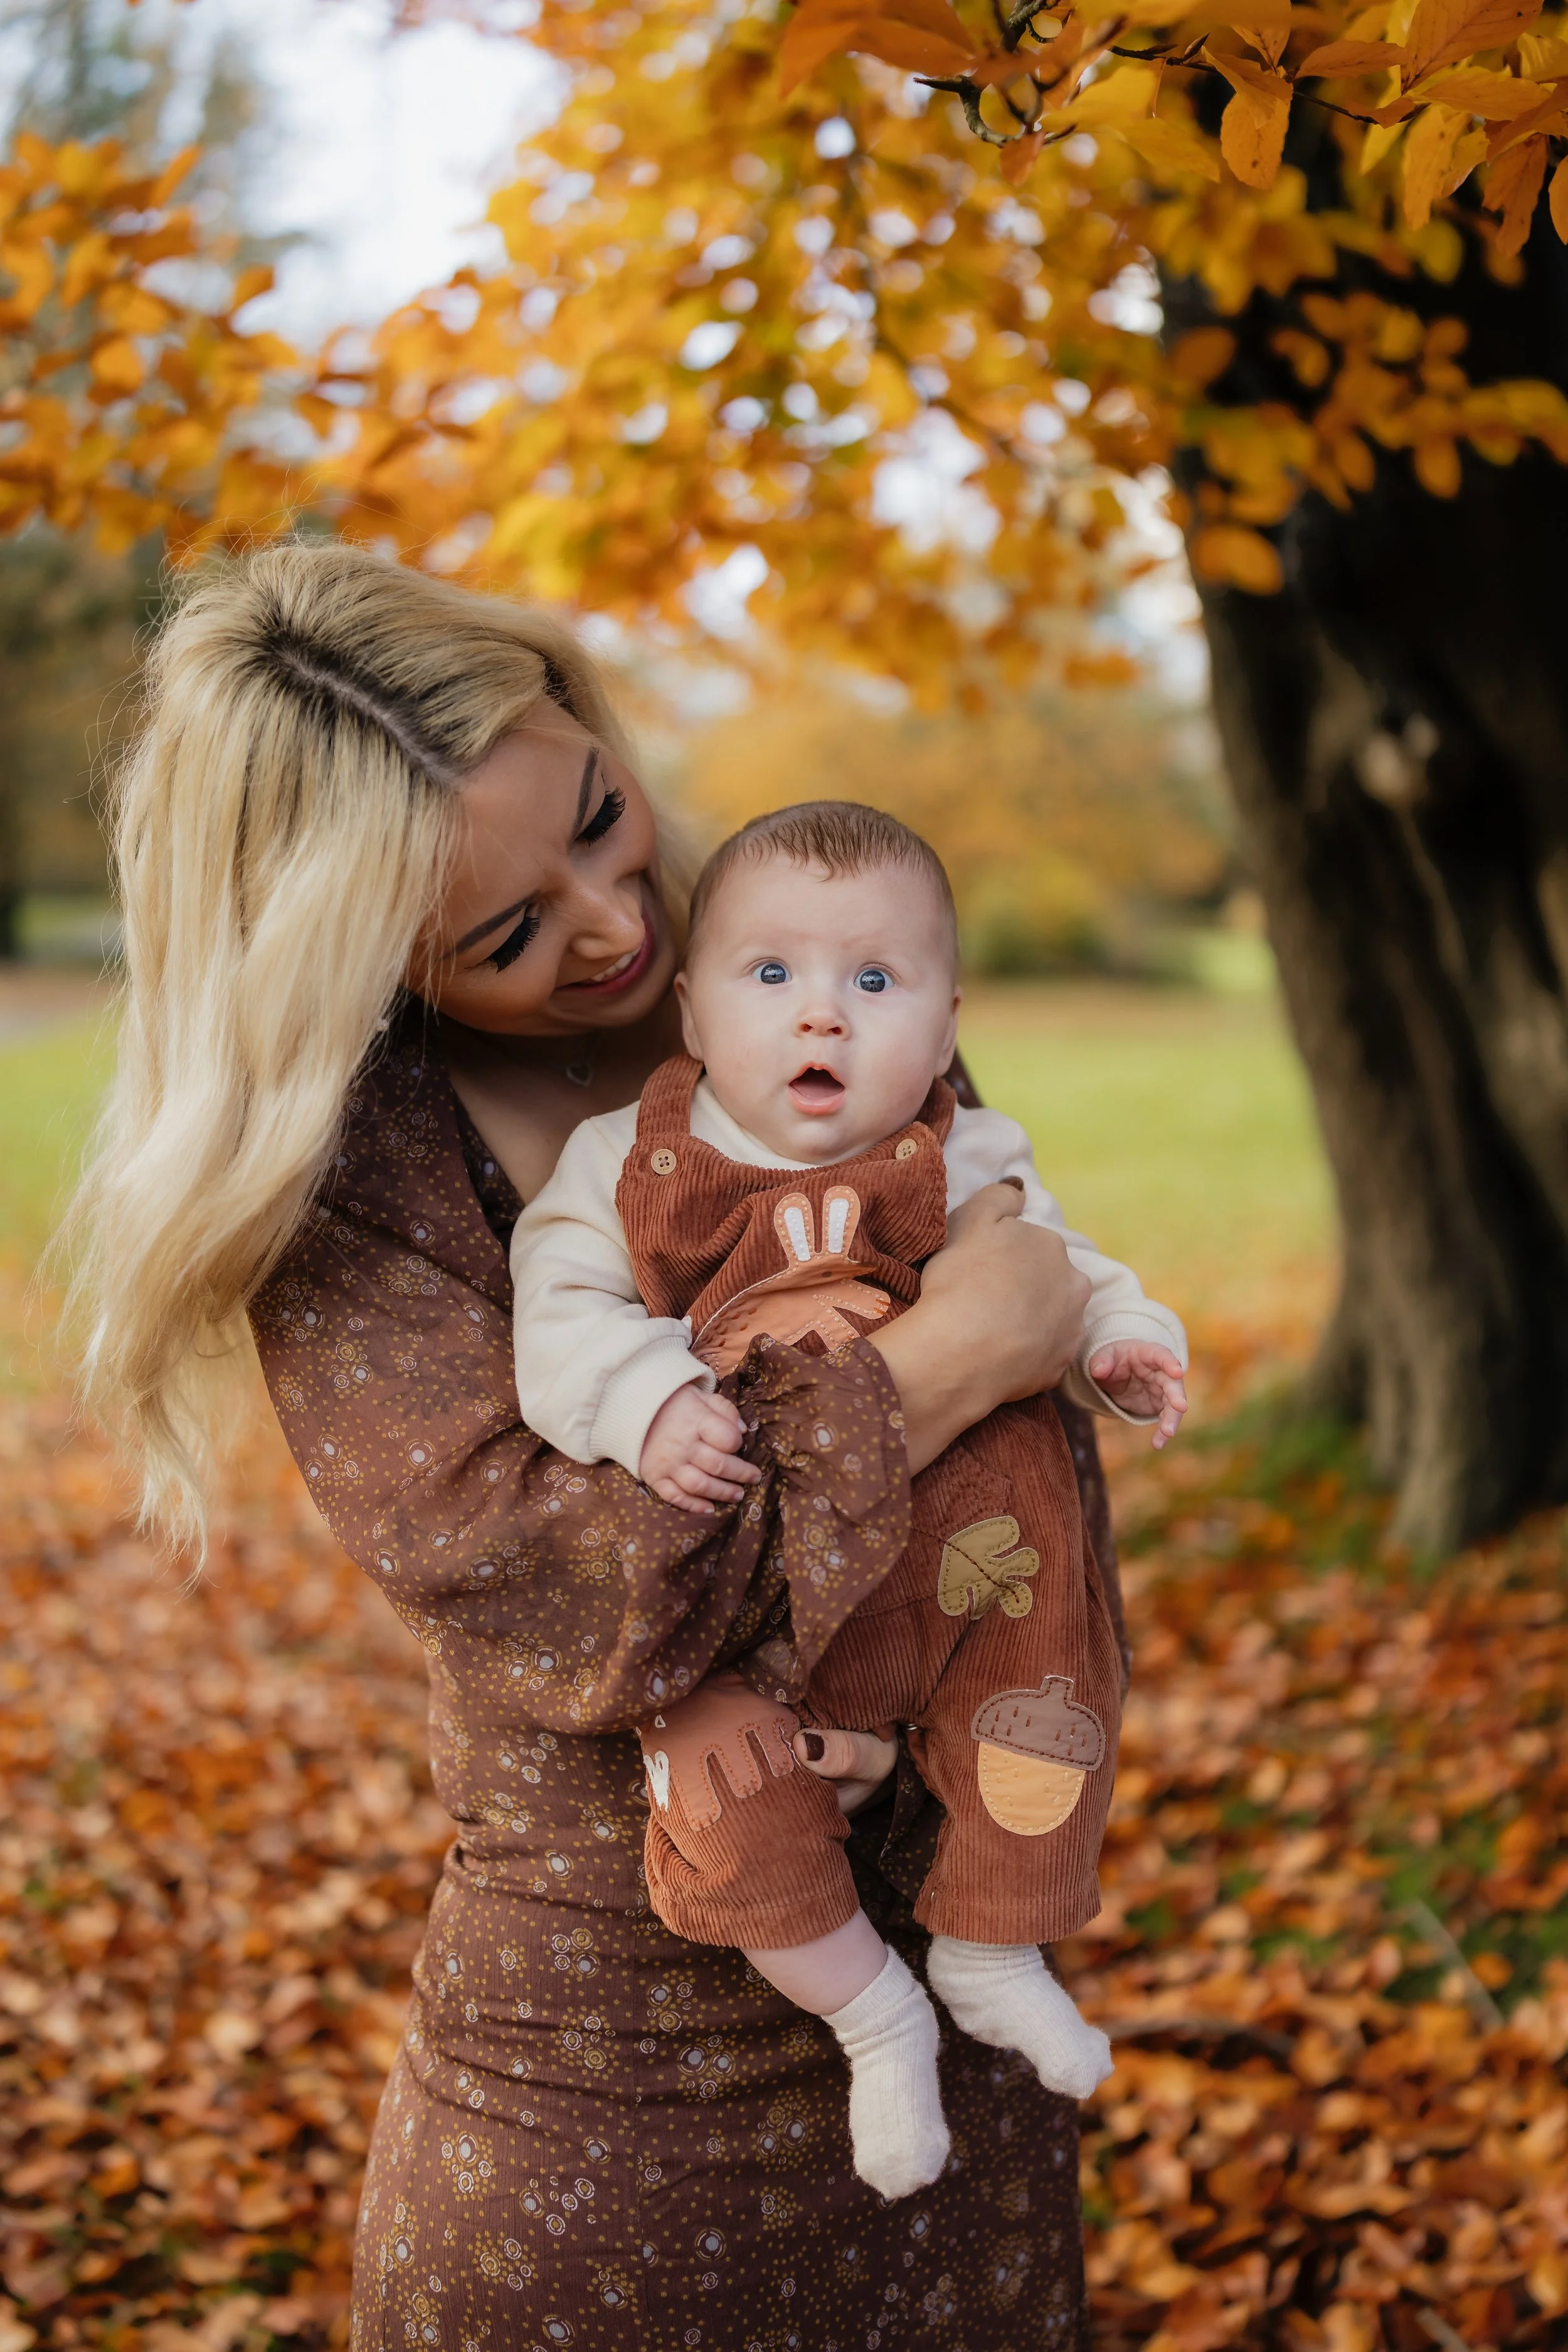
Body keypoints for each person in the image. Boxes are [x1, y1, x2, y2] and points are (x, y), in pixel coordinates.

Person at [69, 539, 1121, 2351]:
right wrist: (946, 1361)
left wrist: (1000, 1405)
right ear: (361, 962)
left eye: (600, 816)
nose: (614, 921)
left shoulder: (790, 975)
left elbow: (1025, 1495)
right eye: (507, 930)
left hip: (961, 1997)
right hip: (611, 2075)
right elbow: (590, 1591)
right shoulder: (357, 1192)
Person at [508, 801, 1188, 2198]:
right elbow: (556, 1316)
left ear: (940, 1029)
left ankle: (992, 1945)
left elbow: (1059, 1267)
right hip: (761, 1593)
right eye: (772, 978)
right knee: (724, 1794)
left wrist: (1124, 1344)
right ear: (692, 1012)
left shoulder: (966, 1151)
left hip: (975, 1562)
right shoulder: (624, 1171)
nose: (821, 1018)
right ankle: (873, 2015)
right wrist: (642, 1400)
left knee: (1045, 1700)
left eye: (872, 984)